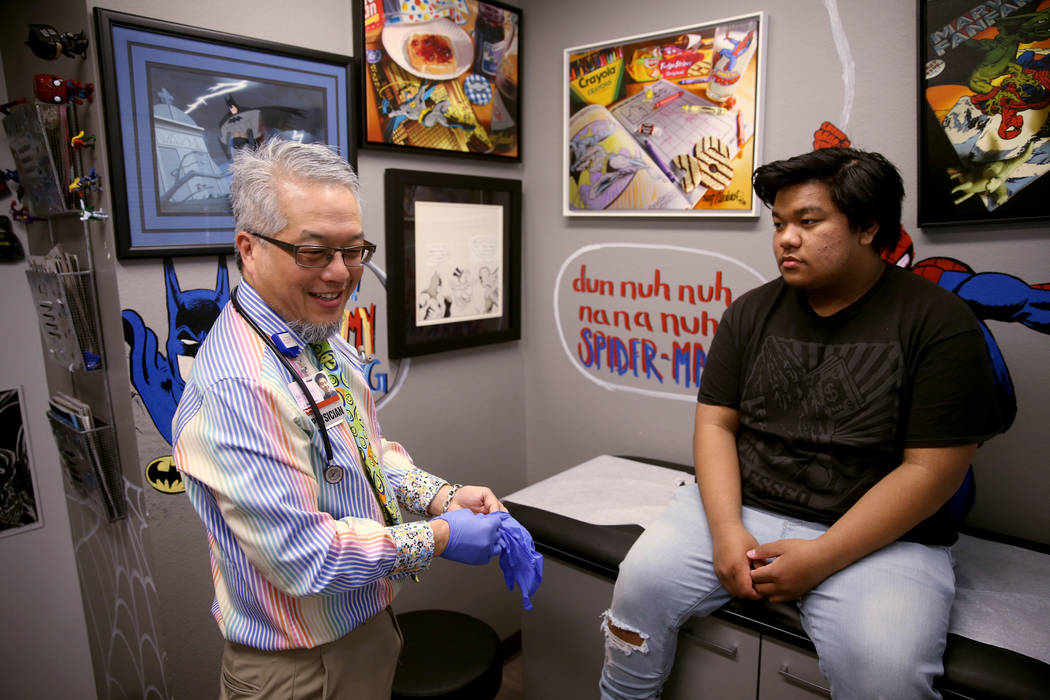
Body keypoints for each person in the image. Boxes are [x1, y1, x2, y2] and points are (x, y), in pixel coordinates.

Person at [599, 148, 1007, 699]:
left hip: (882, 536)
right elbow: (715, 427)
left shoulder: (939, 322)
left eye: (808, 222)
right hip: (743, 506)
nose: (785, 239)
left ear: (868, 227)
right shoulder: (749, 312)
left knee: (887, 672)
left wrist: (822, 558)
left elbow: (933, 472)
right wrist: (725, 532)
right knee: (638, 589)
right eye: (779, 224)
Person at [172, 139, 509, 700]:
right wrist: (441, 537)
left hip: (364, 633)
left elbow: (363, 450)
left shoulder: (312, 335)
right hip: (301, 669)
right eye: (313, 252)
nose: (340, 274)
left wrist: (438, 496)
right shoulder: (242, 385)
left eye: (354, 250)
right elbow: (303, 556)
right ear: (249, 248)